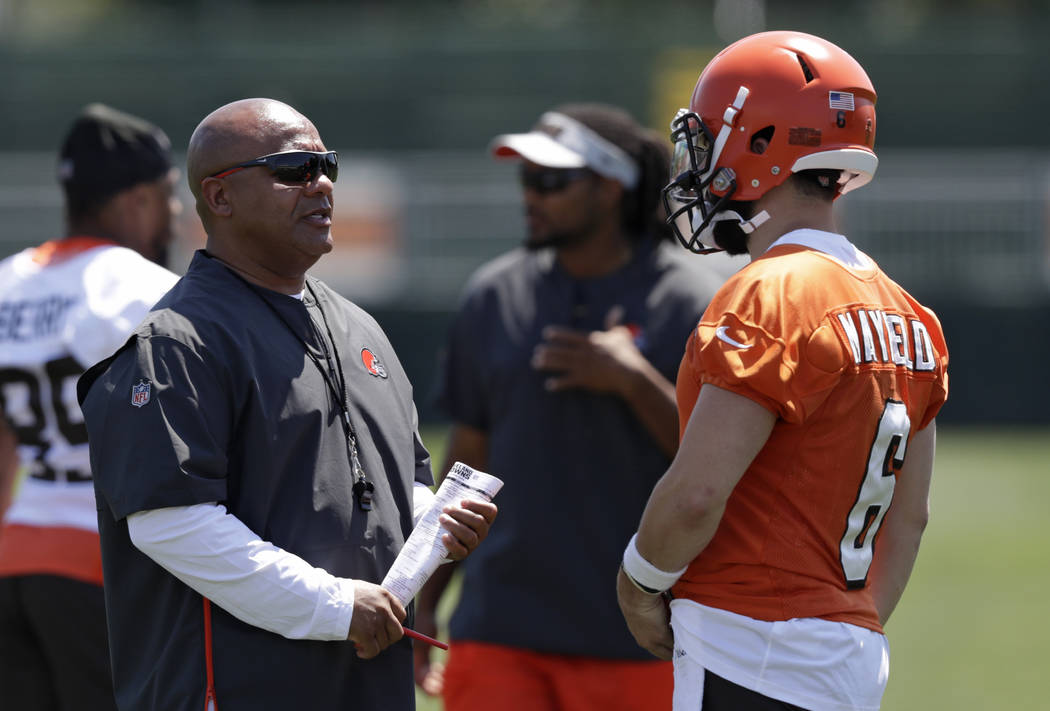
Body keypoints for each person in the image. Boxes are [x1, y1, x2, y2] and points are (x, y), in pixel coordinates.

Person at [75, 98, 497, 711]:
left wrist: (437, 523)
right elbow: (172, 523)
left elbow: (396, 487)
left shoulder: (361, 330)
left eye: (326, 165)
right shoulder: (176, 342)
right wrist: (334, 605)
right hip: (239, 686)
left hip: (364, 681)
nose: (321, 184)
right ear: (219, 198)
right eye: (293, 170)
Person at [616, 31, 950, 710]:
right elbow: (908, 520)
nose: (697, 164)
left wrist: (638, 582)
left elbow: (697, 494)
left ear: (760, 142)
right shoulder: (914, 314)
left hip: (748, 649)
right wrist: (852, 626)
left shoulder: (771, 292)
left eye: (707, 141)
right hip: (851, 659)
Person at [414, 104, 728, 711]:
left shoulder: (694, 300)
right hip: (498, 632)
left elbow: (716, 468)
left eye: (551, 181)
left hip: (641, 638)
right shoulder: (492, 295)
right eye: (526, 179)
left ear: (611, 188)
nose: (530, 195)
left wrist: (635, 382)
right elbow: (468, 459)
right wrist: (426, 597)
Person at [0, 103, 180, 711]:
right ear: (137, 200)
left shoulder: (6, 284)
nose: (175, 213)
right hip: (106, 567)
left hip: (14, 556)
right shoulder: (143, 288)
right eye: (169, 195)